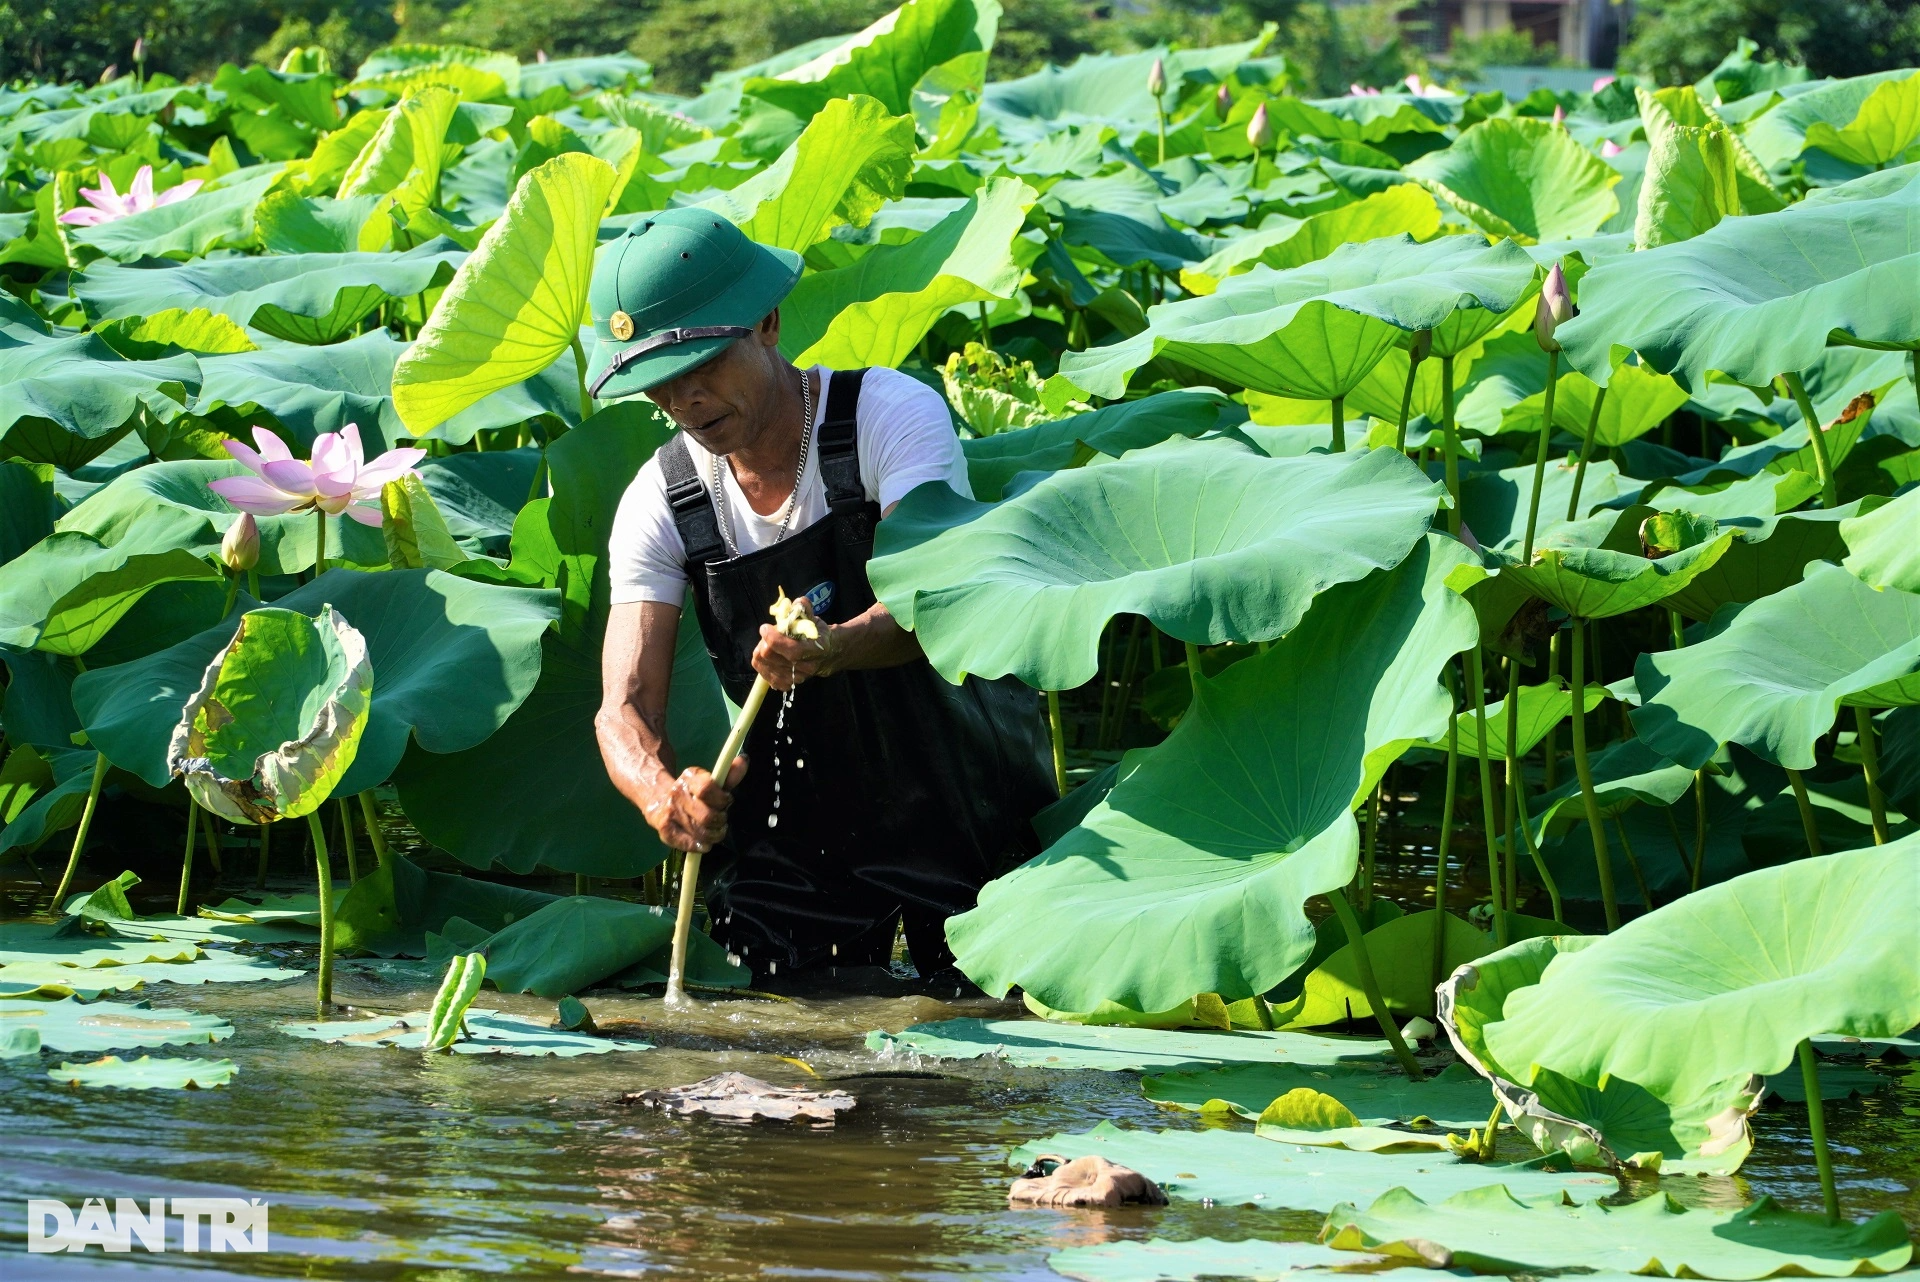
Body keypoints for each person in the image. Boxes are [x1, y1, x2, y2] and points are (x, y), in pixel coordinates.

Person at [589, 209, 1057, 983]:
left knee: (987, 1049)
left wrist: (832, 648)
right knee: (779, 1054)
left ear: (768, 323)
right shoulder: (659, 500)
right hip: (800, 842)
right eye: (659, 384)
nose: (686, 399)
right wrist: (661, 794)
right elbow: (624, 708)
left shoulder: (888, 416)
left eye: (704, 364)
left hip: (963, 804)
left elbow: (934, 604)